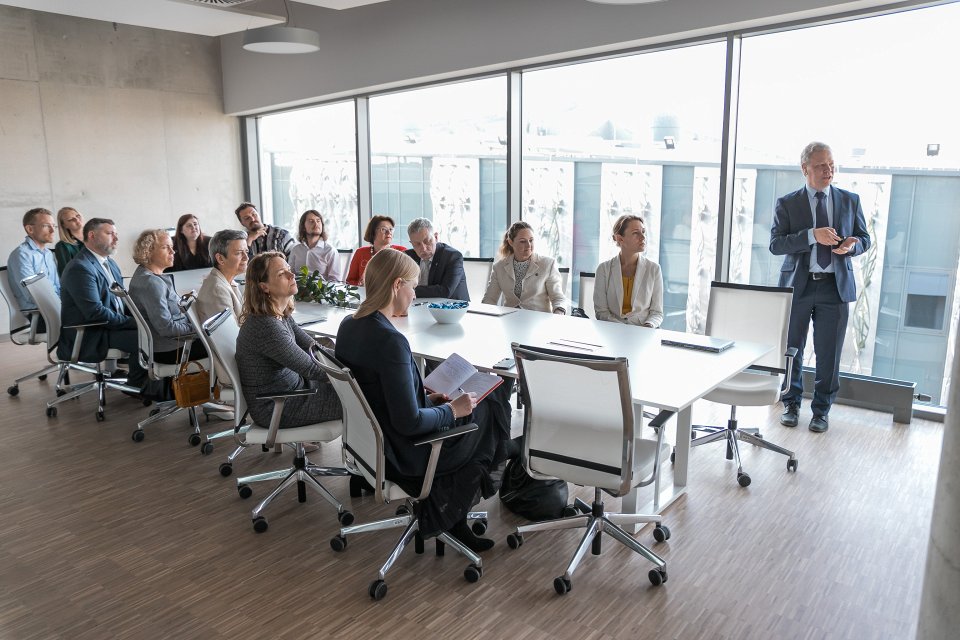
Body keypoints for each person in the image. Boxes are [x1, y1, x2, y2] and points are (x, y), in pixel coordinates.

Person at [336, 249, 514, 552]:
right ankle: (451, 515)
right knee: (487, 411)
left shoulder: (349, 326)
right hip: (406, 454)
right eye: (412, 285)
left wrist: (427, 398)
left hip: (373, 448)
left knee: (477, 410)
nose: (415, 292)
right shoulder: (391, 341)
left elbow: (379, 395)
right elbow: (410, 422)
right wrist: (450, 410)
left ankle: (449, 509)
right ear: (396, 286)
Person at [771, 141, 871, 433]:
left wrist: (853, 247)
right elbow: (776, 244)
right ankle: (790, 403)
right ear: (805, 169)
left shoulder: (850, 200)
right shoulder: (788, 203)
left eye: (830, 164)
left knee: (829, 353)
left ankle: (821, 411)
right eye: (820, 166)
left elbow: (864, 238)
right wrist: (812, 235)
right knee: (792, 349)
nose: (828, 170)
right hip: (798, 287)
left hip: (834, 288)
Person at [235, 251, 342, 429]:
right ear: (264, 287)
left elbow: (314, 349)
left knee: (364, 392)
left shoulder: (280, 315)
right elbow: (311, 368)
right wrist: (356, 373)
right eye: (281, 274)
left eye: (289, 269)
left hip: (295, 391)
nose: (292, 275)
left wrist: (353, 359)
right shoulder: (266, 326)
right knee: (366, 399)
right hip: (279, 406)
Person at [59, 218, 147, 389]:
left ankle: (153, 382)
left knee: (153, 327)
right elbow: (95, 312)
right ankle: (137, 386)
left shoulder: (109, 263)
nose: (116, 238)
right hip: (92, 331)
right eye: (110, 234)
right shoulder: (80, 268)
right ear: (92, 235)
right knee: (144, 337)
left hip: (107, 325)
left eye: (116, 234)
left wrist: (142, 316)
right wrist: (134, 322)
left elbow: (121, 299)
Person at [128, 229, 208, 367]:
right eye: (166, 247)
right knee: (229, 345)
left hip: (175, 343)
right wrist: (198, 329)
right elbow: (166, 328)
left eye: (172, 247)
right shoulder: (151, 283)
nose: (173, 251)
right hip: (172, 349)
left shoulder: (147, 275)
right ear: (148, 251)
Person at [593, 214, 663, 327]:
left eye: (643, 232)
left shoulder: (654, 269)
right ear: (620, 238)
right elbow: (601, 312)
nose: (643, 237)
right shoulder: (603, 269)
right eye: (636, 233)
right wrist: (622, 328)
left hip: (643, 332)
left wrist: (648, 326)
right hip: (612, 331)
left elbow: (657, 313)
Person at [481, 221, 566, 314]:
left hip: (539, 322)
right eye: (522, 241)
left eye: (531, 240)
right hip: (509, 321)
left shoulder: (548, 264)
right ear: (510, 242)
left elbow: (558, 299)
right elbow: (489, 299)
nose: (528, 245)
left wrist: (558, 314)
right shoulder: (499, 267)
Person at [7, 208, 61, 331]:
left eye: (54, 226)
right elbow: (32, 295)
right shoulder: (22, 255)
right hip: (39, 313)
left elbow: (58, 287)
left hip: (56, 307)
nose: (53, 230)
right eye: (46, 226)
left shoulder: (47, 253)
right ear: (30, 229)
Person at [405, 217, 469, 300]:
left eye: (427, 241)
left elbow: (445, 291)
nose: (423, 248)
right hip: (418, 306)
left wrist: (408, 289)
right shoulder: (408, 257)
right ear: (411, 243)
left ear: (435, 237)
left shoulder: (453, 257)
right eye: (417, 244)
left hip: (452, 308)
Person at [196, 229, 247, 323]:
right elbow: (233, 334)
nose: (246, 258)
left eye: (246, 252)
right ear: (220, 259)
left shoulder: (227, 281)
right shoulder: (217, 290)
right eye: (238, 253)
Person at [345, 215, 407, 286]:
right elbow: (350, 281)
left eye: (391, 229)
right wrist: (361, 284)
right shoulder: (360, 252)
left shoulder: (401, 251)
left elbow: (408, 281)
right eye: (384, 229)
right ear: (373, 232)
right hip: (365, 294)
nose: (389, 232)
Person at [288, 210, 341, 281]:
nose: (316, 224)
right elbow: (290, 274)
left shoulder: (330, 251)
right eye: (311, 221)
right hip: (298, 289)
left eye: (318, 221)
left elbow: (335, 280)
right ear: (303, 227)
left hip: (321, 290)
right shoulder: (296, 250)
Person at [53, 207, 84, 276]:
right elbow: (66, 275)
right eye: (71, 219)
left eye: (77, 216)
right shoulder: (62, 246)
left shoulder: (94, 239)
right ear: (64, 225)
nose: (76, 219)